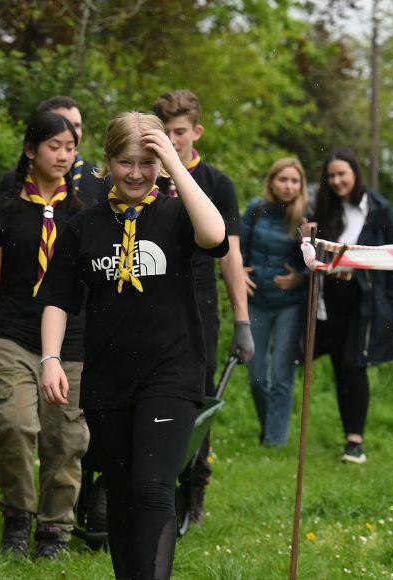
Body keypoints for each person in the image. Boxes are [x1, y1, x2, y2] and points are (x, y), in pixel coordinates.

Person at [38, 112, 227, 579]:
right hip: (108, 377)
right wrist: (51, 359)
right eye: (126, 162)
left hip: (172, 373)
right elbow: (58, 299)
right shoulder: (85, 225)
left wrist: (174, 164)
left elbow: (216, 236)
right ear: (108, 162)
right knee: (120, 490)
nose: (137, 173)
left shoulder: (179, 214)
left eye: (148, 162)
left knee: (153, 487)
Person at [0, 111, 90, 559]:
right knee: (14, 423)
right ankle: (18, 519)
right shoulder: (3, 207)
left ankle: (54, 530)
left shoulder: (84, 212)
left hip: (73, 341)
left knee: (65, 439)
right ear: (30, 150)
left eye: (70, 148)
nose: (62, 155)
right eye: (53, 146)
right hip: (12, 334)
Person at [151, 89, 251, 524]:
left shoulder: (216, 183)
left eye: (179, 132)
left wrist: (242, 320)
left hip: (198, 304)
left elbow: (230, 255)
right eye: (165, 132)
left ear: (196, 131)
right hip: (148, 299)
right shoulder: (141, 175)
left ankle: (194, 488)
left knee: (198, 397)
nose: (172, 140)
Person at [310, 148, 393, 463]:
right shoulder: (323, 209)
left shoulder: (380, 209)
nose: (337, 181)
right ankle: (346, 436)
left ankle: (355, 442)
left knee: (355, 365)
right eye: (332, 176)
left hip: (366, 301)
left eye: (343, 174)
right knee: (340, 366)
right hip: (330, 299)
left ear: (355, 173)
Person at [240, 158, 310, 447]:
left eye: (295, 181)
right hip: (256, 300)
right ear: (272, 182)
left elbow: (315, 259)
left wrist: (300, 278)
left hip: (288, 305)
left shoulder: (305, 217)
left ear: (301, 186)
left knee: (282, 374)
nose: (288, 186)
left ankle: (274, 441)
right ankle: (270, 425)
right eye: (283, 179)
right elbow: (238, 246)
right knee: (256, 375)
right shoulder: (256, 210)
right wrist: (240, 270)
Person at [0, 95, 109, 201]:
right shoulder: (12, 181)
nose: (71, 131)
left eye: (77, 126)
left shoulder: (100, 179)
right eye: (63, 123)